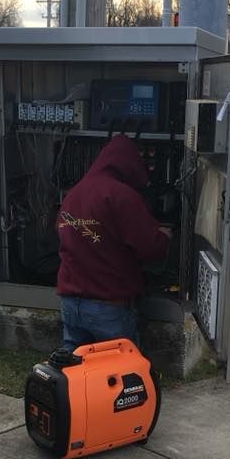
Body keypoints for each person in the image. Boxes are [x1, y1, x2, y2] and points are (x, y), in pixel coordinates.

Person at [56, 134, 171, 349]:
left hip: (70, 303)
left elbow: (69, 238)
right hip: (108, 306)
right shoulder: (122, 196)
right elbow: (149, 247)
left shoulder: (73, 195)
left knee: (76, 369)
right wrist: (164, 237)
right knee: (121, 374)